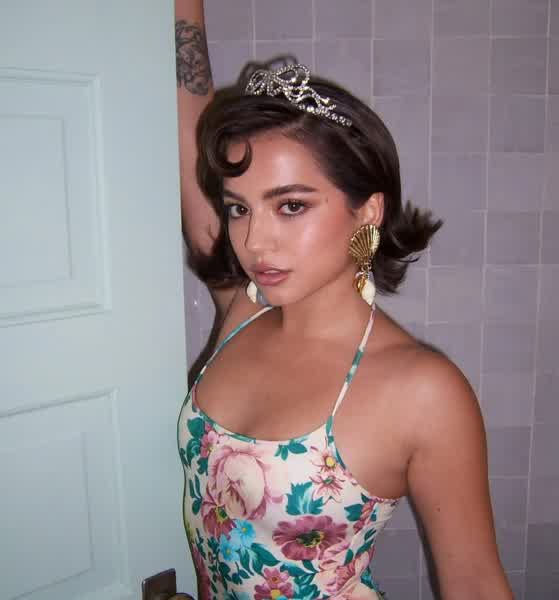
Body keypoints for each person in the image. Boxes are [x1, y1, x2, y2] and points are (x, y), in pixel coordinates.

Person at [174, 2, 513, 599]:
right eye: (238, 208)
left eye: (291, 206)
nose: (254, 242)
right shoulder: (242, 312)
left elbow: (475, 584)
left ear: (368, 210)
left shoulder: (423, 391)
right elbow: (190, 119)